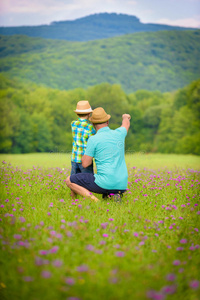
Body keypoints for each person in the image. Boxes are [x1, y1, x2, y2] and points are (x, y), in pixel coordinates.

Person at [66, 107, 131, 202]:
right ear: (107, 122)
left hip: (104, 183)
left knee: (69, 180)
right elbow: (126, 124)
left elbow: (85, 164)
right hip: (122, 184)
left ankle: (95, 201)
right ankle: (114, 194)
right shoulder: (119, 133)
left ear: (93, 124)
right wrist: (125, 117)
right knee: (107, 180)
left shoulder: (93, 139)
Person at [70, 100, 96, 175]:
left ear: (77, 113)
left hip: (74, 158)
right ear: (89, 114)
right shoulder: (90, 127)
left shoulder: (73, 124)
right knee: (87, 181)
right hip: (85, 159)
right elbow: (93, 141)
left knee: (74, 181)